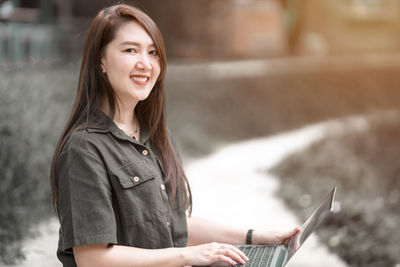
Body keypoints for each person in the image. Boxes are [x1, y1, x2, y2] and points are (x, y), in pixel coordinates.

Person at [50, 4, 300, 267]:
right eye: (130, 50)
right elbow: (92, 258)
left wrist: (255, 237)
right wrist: (189, 255)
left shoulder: (154, 136)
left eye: (153, 52)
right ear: (100, 60)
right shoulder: (84, 148)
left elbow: (173, 223)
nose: (145, 64)